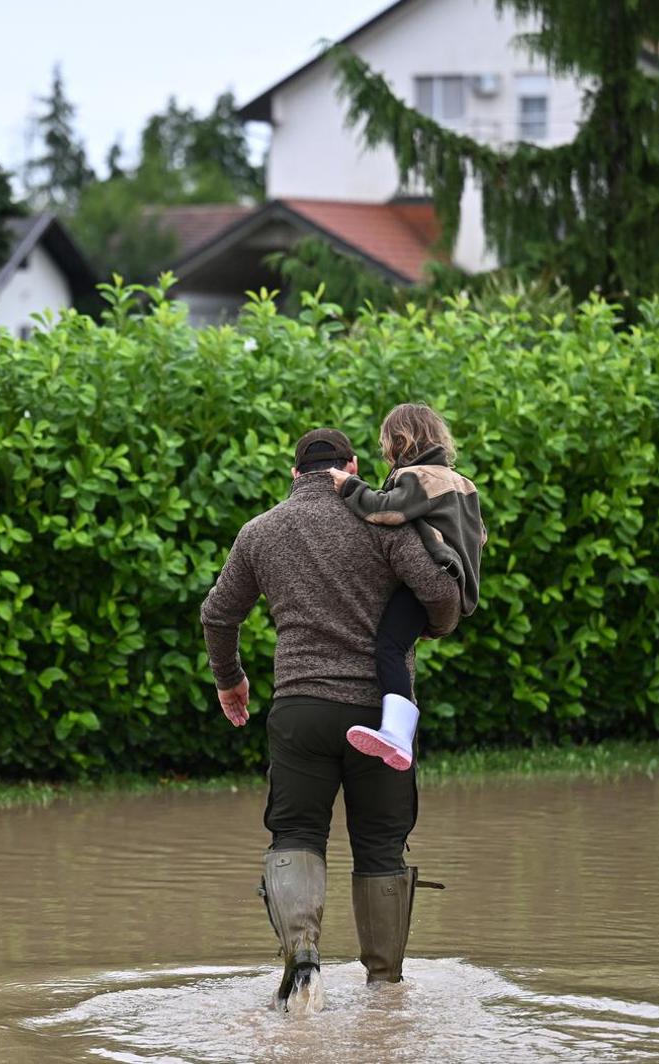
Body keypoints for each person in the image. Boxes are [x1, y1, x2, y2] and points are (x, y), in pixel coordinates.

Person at [200, 426, 462, 1015]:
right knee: (380, 849)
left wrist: (230, 678)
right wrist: (427, 630)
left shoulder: (260, 532)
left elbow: (218, 615)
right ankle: (385, 992)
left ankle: (304, 963)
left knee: (295, 835)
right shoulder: (382, 521)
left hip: (301, 711)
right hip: (380, 716)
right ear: (348, 467)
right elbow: (439, 594)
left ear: (295, 475)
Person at [328, 402, 485, 771]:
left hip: (432, 574)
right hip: (457, 582)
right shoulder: (464, 482)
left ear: (399, 441)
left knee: (388, 647)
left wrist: (349, 485)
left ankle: (396, 734)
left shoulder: (417, 476)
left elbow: (386, 510)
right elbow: (480, 536)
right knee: (396, 643)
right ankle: (398, 734)